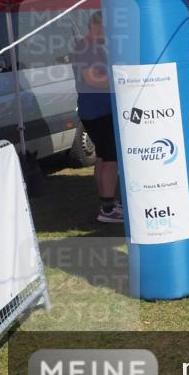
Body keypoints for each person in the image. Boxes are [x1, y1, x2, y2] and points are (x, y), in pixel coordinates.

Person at [71, 12, 122, 223]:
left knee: (103, 157)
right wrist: (119, 79)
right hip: (97, 111)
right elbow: (92, 78)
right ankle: (107, 209)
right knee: (111, 159)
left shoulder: (91, 47)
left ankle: (106, 202)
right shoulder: (87, 48)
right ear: (97, 26)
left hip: (96, 110)